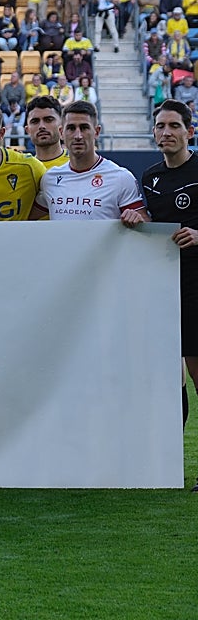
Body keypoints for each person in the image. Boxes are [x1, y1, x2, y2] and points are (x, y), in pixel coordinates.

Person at [139, 100, 198, 469]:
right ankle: (164, 462)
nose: (166, 133)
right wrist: (137, 216)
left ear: (189, 131)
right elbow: (152, 225)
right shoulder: (150, 178)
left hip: (196, 288)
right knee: (164, 378)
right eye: (160, 126)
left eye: (174, 126)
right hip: (162, 289)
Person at [32, 101, 146, 222]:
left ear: (96, 132)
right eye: (71, 128)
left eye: (84, 128)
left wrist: (137, 219)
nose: (78, 136)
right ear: (61, 133)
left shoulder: (121, 177)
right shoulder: (50, 178)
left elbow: (145, 224)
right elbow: (27, 219)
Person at [24, 95, 68, 168]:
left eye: (49, 120)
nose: (42, 126)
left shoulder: (78, 165)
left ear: (62, 126)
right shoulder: (23, 169)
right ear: (27, 130)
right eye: (35, 121)